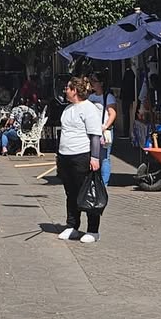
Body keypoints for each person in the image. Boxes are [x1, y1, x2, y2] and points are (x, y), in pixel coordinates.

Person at [57, 76, 105, 244]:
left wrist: (95, 157)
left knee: (88, 193)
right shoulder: (68, 109)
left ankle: (93, 230)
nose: (65, 91)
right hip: (65, 156)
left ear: (75, 91)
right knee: (71, 193)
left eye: (67, 88)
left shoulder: (89, 109)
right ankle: (73, 225)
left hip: (81, 156)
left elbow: (95, 135)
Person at [88, 73, 118, 185]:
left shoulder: (108, 97)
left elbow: (113, 113)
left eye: (94, 81)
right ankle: (94, 180)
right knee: (93, 155)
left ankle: (104, 183)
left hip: (105, 131)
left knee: (104, 157)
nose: (92, 84)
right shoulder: (91, 97)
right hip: (93, 130)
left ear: (101, 83)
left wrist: (105, 126)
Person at [120, 66, 137, 140]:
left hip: (125, 98)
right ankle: (129, 132)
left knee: (125, 115)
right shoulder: (132, 77)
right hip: (130, 97)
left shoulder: (125, 78)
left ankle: (126, 132)